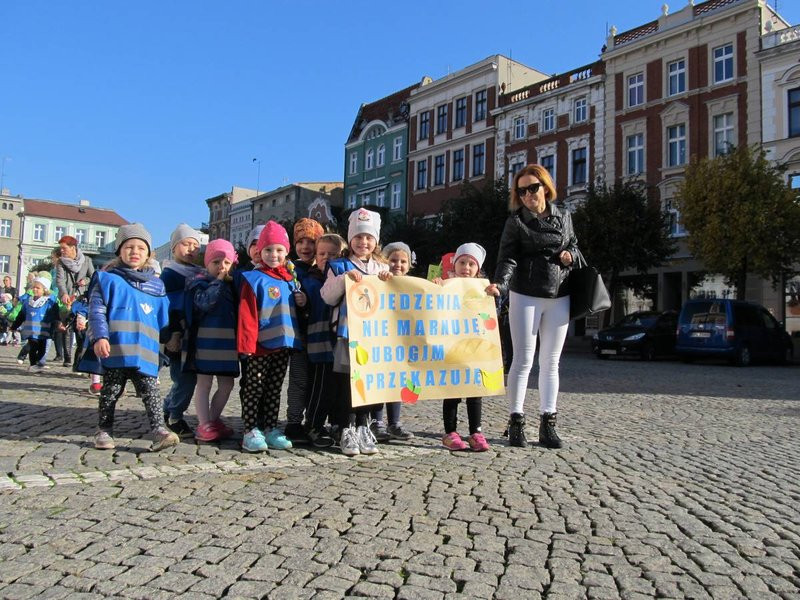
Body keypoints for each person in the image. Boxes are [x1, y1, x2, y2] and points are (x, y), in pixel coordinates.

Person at [486, 164, 578, 449]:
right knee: (523, 360)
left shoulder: (564, 215)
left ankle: (548, 423)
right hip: (525, 293)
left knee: (551, 362)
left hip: (559, 292)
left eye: (532, 188)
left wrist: (570, 254)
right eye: (522, 191)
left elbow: (574, 244)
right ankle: (516, 421)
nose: (527, 195)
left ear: (545, 188)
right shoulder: (516, 222)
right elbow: (507, 258)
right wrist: (500, 285)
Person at [78, 223, 179, 452]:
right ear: (119, 250)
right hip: (116, 349)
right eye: (129, 247)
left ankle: (159, 431)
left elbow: (163, 316)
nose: (135, 252)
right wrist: (100, 337)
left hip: (145, 351)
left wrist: (169, 338)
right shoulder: (107, 279)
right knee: (111, 390)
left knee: (150, 391)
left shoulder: (156, 285)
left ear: (148, 253)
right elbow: (97, 311)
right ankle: (104, 430)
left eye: (141, 248)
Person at [321, 208, 392, 457]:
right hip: (347, 334)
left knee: (369, 382)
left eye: (369, 237)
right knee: (346, 383)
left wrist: (389, 280)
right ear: (350, 239)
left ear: (376, 241)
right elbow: (327, 297)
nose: (363, 242)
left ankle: (363, 426)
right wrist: (343, 280)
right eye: (358, 237)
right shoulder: (338, 266)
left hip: (374, 336)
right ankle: (346, 428)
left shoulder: (382, 267)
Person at [237, 221, 306, 452]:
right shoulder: (253, 278)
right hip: (260, 345)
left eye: (278, 250)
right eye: (268, 249)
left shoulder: (290, 279)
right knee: (254, 387)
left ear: (286, 252)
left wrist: (302, 301)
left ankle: (270, 427)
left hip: (283, 344)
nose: (273, 254)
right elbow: (247, 314)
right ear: (260, 252)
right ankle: (250, 430)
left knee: (274, 389)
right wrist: (246, 344)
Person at [434, 243, 491, 452]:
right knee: (452, 390)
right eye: (462, 262)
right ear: (454, 265)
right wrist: (436, 286)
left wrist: (494, 293)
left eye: (471, 264)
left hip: (474, 348)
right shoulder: (446, 284)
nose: (466, 267)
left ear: (478, 269)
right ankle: (450, 432)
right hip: (451, 347)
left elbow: (491, 313)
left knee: (475, 391)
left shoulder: (482, 288)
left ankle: (475, 432)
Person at [184, 239, 239, 443]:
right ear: (207, 263)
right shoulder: (199, 282)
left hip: (227, 344)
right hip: (206, 342)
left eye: (226, 263)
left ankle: (213, 420)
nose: (221, 267)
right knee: (204, 383)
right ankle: (203, 423)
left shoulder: (232, 286)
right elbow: (204, 303)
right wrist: (218, 282)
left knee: (227, 384)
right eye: (216, 262)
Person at [300, 232, 346, 448]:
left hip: (340, 343)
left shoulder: (345, 278)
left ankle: (337, 424)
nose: (326, 258)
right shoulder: (309, 281)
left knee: (339, 388)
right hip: (319, 342)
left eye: (333, 254)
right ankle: (313, 425)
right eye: (322, 254)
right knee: (319, 388)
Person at [369, 241, 415, 443]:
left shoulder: (413, 285)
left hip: (401, 342)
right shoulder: (377, 280)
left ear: (409, 265)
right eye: (393, 260)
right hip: (379, 340)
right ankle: (376, 422)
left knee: (397, 381)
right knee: (380, 381)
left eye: (403, 261)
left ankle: (394, 423)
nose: (398, 265)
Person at [161, 224, 204, 438]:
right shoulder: (169, 275)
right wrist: (172, 334)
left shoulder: (199, 274)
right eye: (186, 244)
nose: (191, 249)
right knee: (185, 379)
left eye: (195, 246)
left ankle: (167, 408)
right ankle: (175, 417)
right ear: (174, 247)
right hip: (178, 335)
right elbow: (167, 306)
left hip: (194, 336)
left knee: (185, 377)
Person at [285, 217, 325, 445]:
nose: (305, 247)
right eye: (300, 242)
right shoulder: (291, 270)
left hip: (321, 335)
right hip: (299, 335)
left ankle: (314, 421)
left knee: (318, 381)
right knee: (299, 379)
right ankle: (293, 422)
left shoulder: (324, 270)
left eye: (311, 242)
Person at [55, 235, 95, 370]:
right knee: (67, 327)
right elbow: (60, 280)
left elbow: (93, 277)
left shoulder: (87, 260)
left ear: (73, 247)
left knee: (80, 331)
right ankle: (67, 358)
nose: (61, 251)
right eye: (61, 248)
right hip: (67, 299)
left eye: (64, 248)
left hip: (82, 299)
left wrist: (86, 281)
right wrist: (64, 293)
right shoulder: (61, 262)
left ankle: (77, 363)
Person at [11, 275, 59, 372]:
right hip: (31, 331)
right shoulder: (28, 302)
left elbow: (55, 316)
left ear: (44, 290)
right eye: (34, 287)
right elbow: (21, 315)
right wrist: (14, 326)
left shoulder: (49, 303)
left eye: (38, 288)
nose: (35, 289)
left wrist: (56, 325)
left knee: (42, 349)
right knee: (32, 347)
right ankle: (33, 364)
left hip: (43, 331)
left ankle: (39, 363)